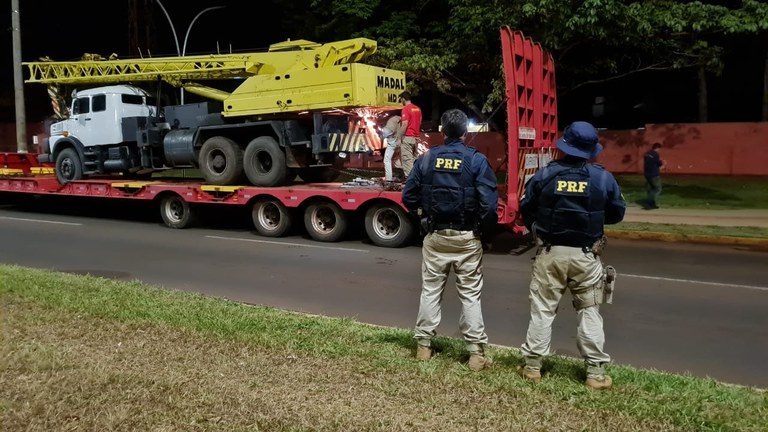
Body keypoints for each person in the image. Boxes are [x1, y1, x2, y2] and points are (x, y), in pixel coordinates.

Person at [518, 121, 626, 390]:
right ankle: (595, 373)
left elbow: (526, 208)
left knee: (542, 310)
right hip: (586, 256)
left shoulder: (545, 175)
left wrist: (536, 226)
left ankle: (532, 367)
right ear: (591, 150)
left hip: (549, 254)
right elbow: (616, 214)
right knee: (589, 311)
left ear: (564, 145)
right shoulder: (603, 178)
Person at [402, 109, 498, 371]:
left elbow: (408, 197)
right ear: (465, 132)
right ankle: (476, 354)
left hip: (435, 236)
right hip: (467, 237)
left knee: (431, 291)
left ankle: (423, 346)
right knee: (470, 295)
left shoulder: (426, 159)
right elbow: (489, 205)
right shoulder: (476, 160)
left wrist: (422, 215)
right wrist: (483, 231)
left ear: (442, 131)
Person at [396, 92, 422, 179]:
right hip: (416, 138)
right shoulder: (417, 109)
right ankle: (417, 179)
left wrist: (399, 138)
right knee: (414, 160)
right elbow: (419, 122)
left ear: (403, 99)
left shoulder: (406, 109)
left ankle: (410, 181)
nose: (401, 101)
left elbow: (404, 124)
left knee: (407, 160)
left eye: (401, 99)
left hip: (407, 137)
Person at [643, 142, 664, 210]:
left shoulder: (647, 154)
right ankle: (648, 203)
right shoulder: (655, 154)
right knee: (657, 189)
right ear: (658, 148)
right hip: (654, 174)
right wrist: (662, 162)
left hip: (647, 174)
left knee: (650, 189)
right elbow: (659, 163)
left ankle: (652, 204)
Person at [381, 113, 401, 182]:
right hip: (402, 141)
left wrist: (382, 134)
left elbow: (387, 132)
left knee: (387, 160)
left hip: (393, 142)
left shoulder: (391, 120)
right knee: (404, 160)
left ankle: (389, 178)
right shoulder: (401, 119)